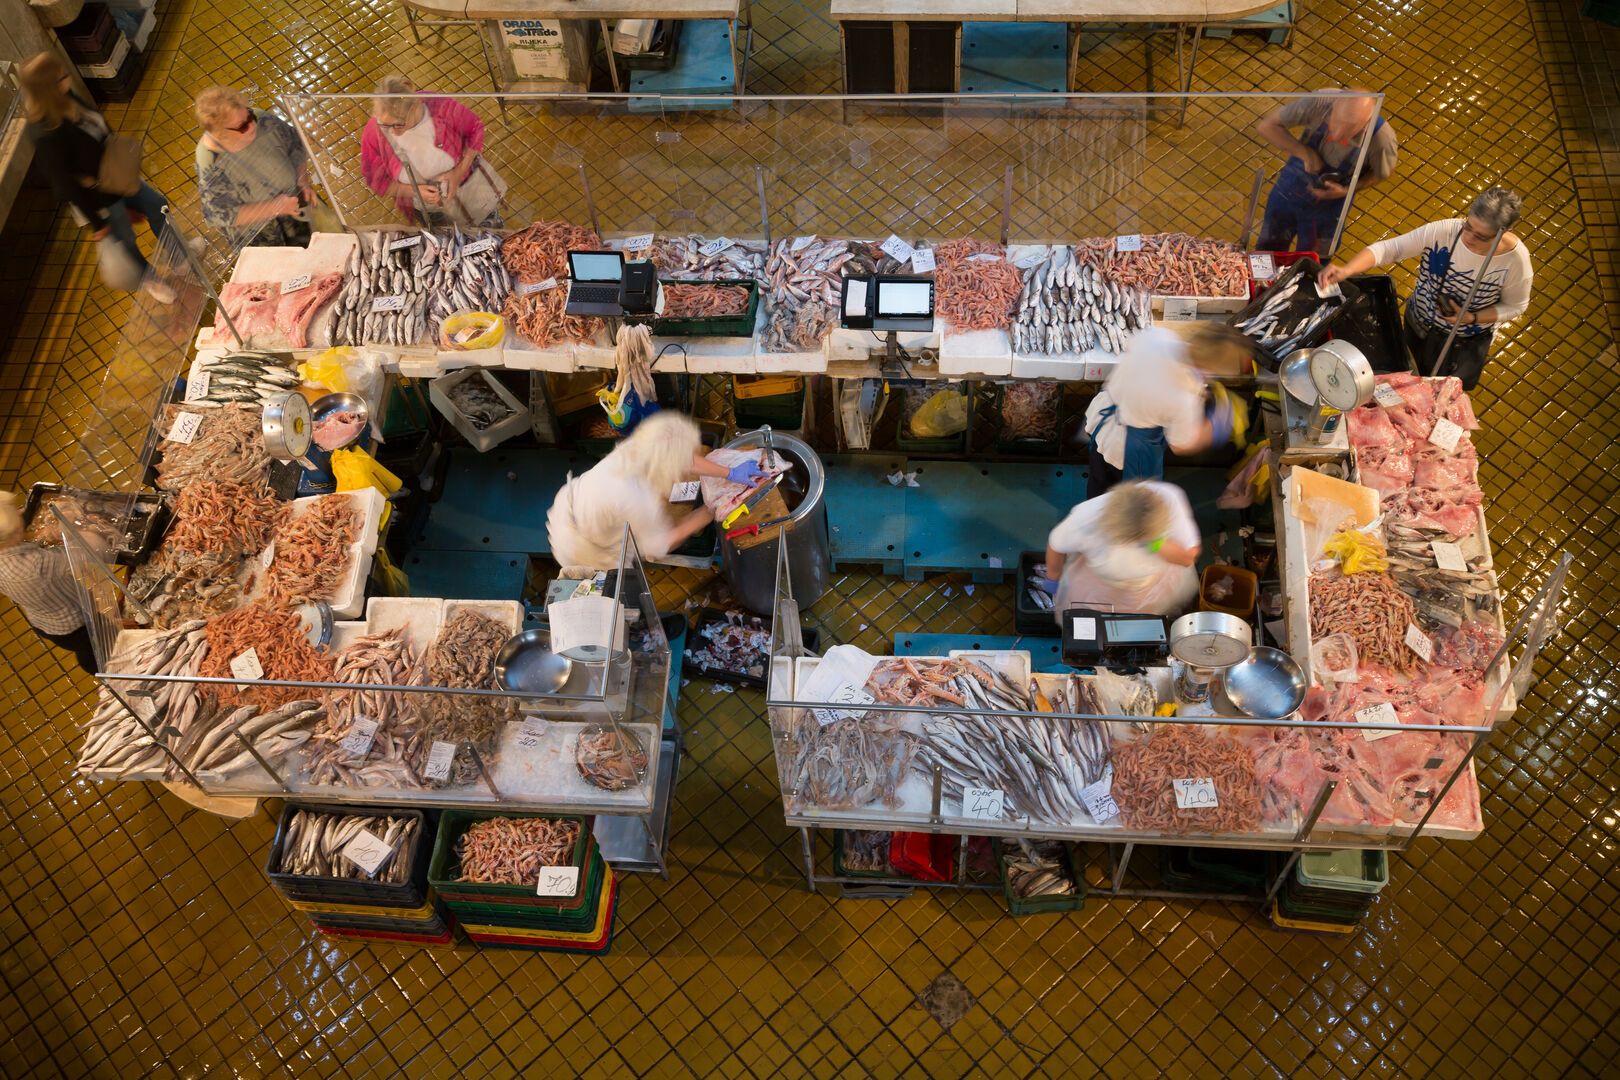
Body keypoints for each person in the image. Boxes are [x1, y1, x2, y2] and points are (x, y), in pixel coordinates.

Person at [1320, 187, 1531, 390]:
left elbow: (1516, 306)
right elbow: (1389, 249)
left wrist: (1471, 317)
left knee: (1440, 387)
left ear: (1506, 231)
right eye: (1468, 227)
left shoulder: (1515, 261)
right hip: (1418, 320)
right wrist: (1347, 270)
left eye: (1482, 237)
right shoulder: (1445, 231)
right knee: (1408, 367)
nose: (1469, 238)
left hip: (1461, 340)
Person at [20, 52, 177, 302]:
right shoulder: (45, 135)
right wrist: (99, 224)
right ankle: (151, 280)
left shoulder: (65, 98)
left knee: (157, 206)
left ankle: (179, 256)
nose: (68, 78)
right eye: (62, 76)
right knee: (126, 240)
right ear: (48, 89)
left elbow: (98, 128)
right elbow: (65, 186)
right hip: (98, 197)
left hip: (116, 176)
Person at [547, 413, 769, 573]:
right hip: (583, 549)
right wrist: (710, 509)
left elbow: (681, 459)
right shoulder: (636, 498)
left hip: (578, 506)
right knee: (614, 591)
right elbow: (660, 545)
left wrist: (730, 472)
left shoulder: (635, 448)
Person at [1082, 324, 1252, 501]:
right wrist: (1218, 425)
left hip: (1102, 423)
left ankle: (1093, 513)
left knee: (1098, 483)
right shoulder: (1184, 399)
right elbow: (1181, 445)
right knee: (1134, 504)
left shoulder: (1158, 336)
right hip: (1130, 451)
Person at [1255, 88, 1398, 259]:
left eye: (1349, 130)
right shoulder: (1319, 102)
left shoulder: (1381, 138)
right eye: (1335, 123)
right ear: (1334, 104)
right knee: (1267, 251)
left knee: (1313, 261)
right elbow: (1267, 126)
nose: (1337, 135)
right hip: (1288, 192)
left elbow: (1385, 171)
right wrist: (1305, 153)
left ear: (1366, 123)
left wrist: (1348, 190)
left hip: (1327, 212)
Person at [1041, 480, 1202, 619]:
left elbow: (1188, 558)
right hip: (1100, 585)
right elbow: (1056, 545)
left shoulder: (1169, 497)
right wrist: (1053, 578)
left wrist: (1155, 543)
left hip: (1153, 583)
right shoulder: (1085, 518)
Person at [360, 75, 506, 228]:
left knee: (491, 227)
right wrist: (414, 192)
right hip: (430, 210)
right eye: (384, 125)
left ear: (414, 108)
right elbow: (376, 180)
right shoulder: (374, 131)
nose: (391, 132)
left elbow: (475, 129)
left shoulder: (439, 105)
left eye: (398, 125)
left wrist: (458, 173)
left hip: (472, 191)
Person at [194, 86, 315, 249]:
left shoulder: (261, 119)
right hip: (260, 234)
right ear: (219, 133)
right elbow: (222, 214)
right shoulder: (210, 161)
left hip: (294, 211)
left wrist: (303, 182)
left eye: (250, 115)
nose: (252, 126)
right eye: (242, 126)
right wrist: (275, 208)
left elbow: (294, 145)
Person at [0, 493, 97, 675]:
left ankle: (90, 661)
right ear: (14, 532)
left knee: (86, 649)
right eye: (16, 515)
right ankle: (99, 669)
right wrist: (63, 530)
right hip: (75, 624)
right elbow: (89, 548)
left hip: (43, 621)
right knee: (95, 646)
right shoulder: (35, 566)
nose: (22, 511)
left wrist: (39, 535)